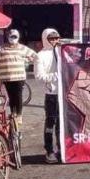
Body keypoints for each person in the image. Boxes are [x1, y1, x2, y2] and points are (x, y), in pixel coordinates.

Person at [0, 29, 37, 129]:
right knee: (11, 97)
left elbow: (34, 55)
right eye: (11, 37)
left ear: (18, 38)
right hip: (7, 77)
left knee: (18, 96)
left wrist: (26, 60)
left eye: (15, 37)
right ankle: (13, 114)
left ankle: (19, 115)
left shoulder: (22, 48)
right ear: (8, 37)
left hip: (19, 77)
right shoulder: (2, 48)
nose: (13, 39)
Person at [35, 28, 61, 164]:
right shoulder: (40, 55)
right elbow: (39, 76)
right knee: (51, 123)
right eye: (51, 38)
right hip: (51, 95)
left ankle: (62, 148)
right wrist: (56, 76)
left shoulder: (62, 52)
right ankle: (49, 150)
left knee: (62, 124)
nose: (54, 41)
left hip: (63, 93)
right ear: (45, 39)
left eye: (56, 38)